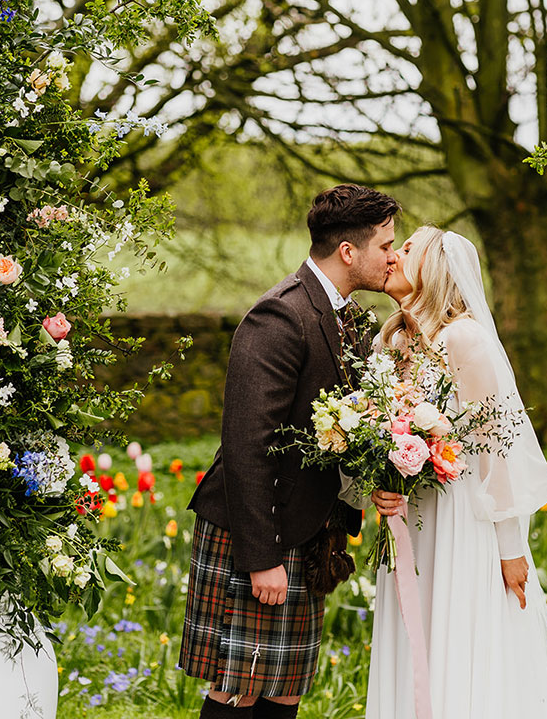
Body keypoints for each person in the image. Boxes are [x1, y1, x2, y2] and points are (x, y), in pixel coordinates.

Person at [180, 184, 400, 719]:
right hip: (257, 531)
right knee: (242, 687)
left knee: (285, 689)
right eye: (386, 245)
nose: (394, 256)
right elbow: (247, 446)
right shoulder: (280, 317)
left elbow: (337, 428)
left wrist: (372, 480)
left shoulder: (346, 315)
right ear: (349, 252)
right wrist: (262, 560)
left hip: (306, 528)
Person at [366, 226, 547, 719]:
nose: (392, 256)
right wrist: (380, 485)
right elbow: (377, 434)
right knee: (415, 644)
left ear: (433, 266)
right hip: (411, 521)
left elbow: (500, 450)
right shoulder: (390, 341)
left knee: (461, 640)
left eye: (406, 248)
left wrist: (510, 548)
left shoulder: (465, 339)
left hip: (461, 521)